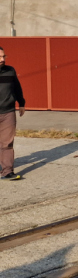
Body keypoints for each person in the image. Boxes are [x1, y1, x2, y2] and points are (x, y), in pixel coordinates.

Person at [0, 47, 25, 180]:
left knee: (7, 143)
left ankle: (7, 171)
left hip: (8, 112)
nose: (2, 59)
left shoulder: (10, 71)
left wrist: (21, 103)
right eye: (0, 57)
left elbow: (17, 87)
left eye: (4, 56)